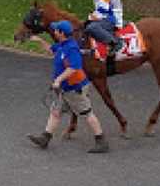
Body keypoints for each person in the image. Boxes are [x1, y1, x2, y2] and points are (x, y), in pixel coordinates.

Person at [27, 20, 109, 154]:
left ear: (62, 33)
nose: (54, 32)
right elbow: (50, 49)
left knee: (87, 114)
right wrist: (39, 40)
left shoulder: (71, 48)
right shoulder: (61, 45)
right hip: (65, 90)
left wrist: (58, 80)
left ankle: (101, 141)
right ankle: (45, 138)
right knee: (55, 112)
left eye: (56, 30)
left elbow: (74, 68)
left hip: (75, 89)